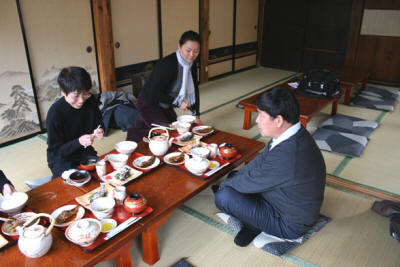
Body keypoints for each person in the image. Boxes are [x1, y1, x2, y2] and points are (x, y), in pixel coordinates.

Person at [214, 86, 326, 247]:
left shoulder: (289, 155)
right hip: (284, 197)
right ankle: (254, 221)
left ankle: (254, 225)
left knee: (223, 196)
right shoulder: (292, 133)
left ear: (279, 120)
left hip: (288, 223)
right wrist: (232, 181)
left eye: (261, 115)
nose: (257, 120)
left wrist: (224, 186)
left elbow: (252, 180)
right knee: (235, 178)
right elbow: (260, 162)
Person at [127, 30, 201, 142]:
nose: (192, 55)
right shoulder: (168, 64)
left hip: (166, 102)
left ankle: (141, 124)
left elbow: (194, 89)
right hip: (149, 102)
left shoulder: (191, 65)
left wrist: (196, 114)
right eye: (188, 50)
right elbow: (154, 93)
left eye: (196, 51)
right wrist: (178, 102)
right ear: (179, 46)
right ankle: (136, 133)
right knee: (165, 133)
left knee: (176, 128)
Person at [46, 66, 104, 178]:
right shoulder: (55, 113)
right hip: (62, 158)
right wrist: (78, 142)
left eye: (85, 93)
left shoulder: (90, 101)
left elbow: (99, 122)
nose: (81, 100)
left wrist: (100, 130)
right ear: (63, 92)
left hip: (85, 152)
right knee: (72, 183)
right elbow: (56, 151)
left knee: (101, 174)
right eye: (76, 95)